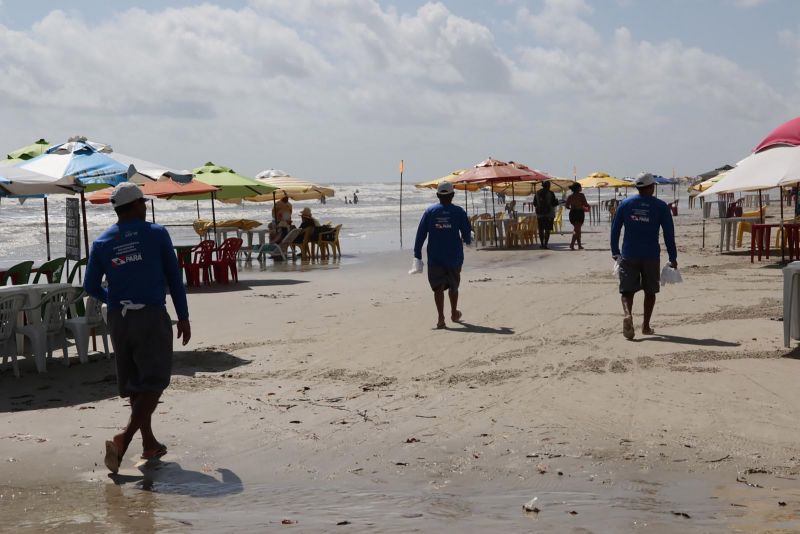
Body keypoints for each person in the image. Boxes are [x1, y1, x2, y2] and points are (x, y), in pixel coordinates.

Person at [84, 182, 191, 474]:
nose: (145, 206)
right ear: (136, 205)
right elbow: (173, 276)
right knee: (155, 382)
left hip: (119, 319)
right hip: (149, 315)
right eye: (143, 202)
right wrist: (183, 316)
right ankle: (124, 438)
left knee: (136, 384)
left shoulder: (103, 241)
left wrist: (115, 301)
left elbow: (89, 285)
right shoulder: (156, 234)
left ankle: (149, 443)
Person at [610, 172, 677, 340]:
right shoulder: (660, 206)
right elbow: (669, 233)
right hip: (650, 255)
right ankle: (645, 326)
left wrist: (614, 251)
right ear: (652, 187)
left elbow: (615, 229)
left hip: (629, 253)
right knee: (650, 291)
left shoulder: (625, 204)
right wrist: (672, 256)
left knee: (627, 290)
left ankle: (628, 314)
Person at [414, 182, 472, 329]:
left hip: (435, 256)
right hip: (454, 256)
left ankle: (441, 317)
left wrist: (417, 255)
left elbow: (420, 235)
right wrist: (468, 239)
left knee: (438, 287)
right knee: (453, 285)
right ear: (452, 195)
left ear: (438, 195)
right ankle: (453, 313)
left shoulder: (430, 211)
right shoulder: (459, 212)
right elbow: (467, 235)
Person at [533, 181, 559, 248]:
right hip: (549, 214)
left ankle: (542, 244)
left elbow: (534, 203)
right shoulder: (551, 193)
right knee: (547, 230)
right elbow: (554, 203)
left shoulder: (537, 193)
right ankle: (545, 244)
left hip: (540, 214)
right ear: (548, 186)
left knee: (541, 229)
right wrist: (557, 201)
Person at [565, 183, 590, 250]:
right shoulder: (581, 195)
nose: (581, 188)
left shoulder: (570, 196)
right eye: (580, 187)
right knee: (577, 229)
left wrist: (572, 207)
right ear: (578, 188)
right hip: (579, 213)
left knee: (577, 229)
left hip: (572, 213)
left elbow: (567, 206)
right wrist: (588, 207)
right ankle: (572, 244)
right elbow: (585, 204)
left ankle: (579, 245)